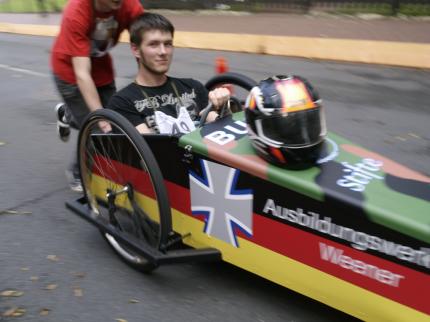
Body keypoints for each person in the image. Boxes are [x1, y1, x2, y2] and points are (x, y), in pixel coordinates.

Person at [51, 0, 144, 192]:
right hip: (71, 75)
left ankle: (67, 114)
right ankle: (78, 172)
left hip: (102, 71)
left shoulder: (129, 6)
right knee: (98, 129)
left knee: (117, 122)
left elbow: (145, 41)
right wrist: (100, 117)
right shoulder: (76, 12)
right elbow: (82, 74)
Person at [107, 12, 230, 134]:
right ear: (136, 50)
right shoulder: (122, 102)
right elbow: (148, 148)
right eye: (153, 44)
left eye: (168, 44)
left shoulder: (193, 87)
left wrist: (223, 106)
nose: (163, 51)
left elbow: (223, 129)